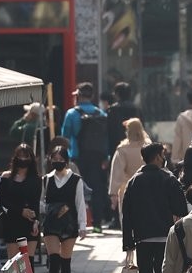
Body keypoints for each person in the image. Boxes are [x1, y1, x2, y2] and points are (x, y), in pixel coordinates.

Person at [122, 142, 189, 273]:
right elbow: (181, 207)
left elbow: (126, 213)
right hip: (165, 234)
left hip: (142, 236)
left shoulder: (134, 181)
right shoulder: (168, 178)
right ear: (159, 156)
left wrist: (128, 242)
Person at [41, 147, 88, 273]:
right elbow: (40, 202)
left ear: (66, 160)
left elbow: (80, 203)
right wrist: (51, 209)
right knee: (53, 259)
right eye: (54, 158)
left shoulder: (76, 180)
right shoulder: (46, 179)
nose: (57, 161)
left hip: (69, 223)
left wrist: (83, 225)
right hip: (51, 223)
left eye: (61, 158)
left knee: (65, 260)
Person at [61, 82, 109, 233]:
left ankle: (76, 223)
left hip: (76, 157)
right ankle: (97, 224)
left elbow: (65, 138)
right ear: (92, 96)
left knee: (74, 189)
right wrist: (105, 157)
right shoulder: (101, 114)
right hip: (97, 157)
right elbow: (105, 138)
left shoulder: (72, 114)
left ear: (79, 95)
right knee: (97, 189)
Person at [0, 143, 42, 259]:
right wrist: (21, 211)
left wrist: (36, 221)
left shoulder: (36, 179)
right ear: (15, 158)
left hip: (29, 222)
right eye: (20, 156)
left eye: (26, 157)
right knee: (15, 262)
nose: (23, 159)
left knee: (28, 262)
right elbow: (3, 202)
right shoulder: (6, 177)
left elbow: (36, 203)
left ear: (31, 159)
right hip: (12, 222)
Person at [109, 118, 152, 220]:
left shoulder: (122, 149)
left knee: (128, 218)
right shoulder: (148, 145)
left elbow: (117, 172)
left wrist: (113, 192)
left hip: (128, 187)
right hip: (148, 185)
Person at [107, 81, 143, 155]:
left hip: (117, 146)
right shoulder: (137, 108)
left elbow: (109, 130)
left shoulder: (113, 109)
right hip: (136, 145)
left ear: (117, 94)